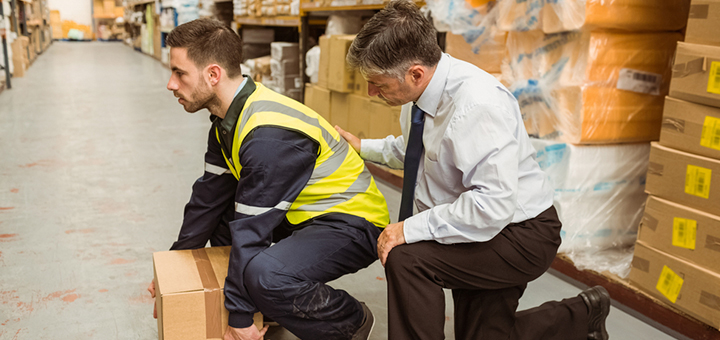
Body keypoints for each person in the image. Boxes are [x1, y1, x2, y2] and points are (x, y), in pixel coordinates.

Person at [334, 1, 612, 339]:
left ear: (416, 73)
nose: (371, 92)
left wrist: (409, 228)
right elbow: (414, 151)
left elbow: (492, 205)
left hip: (519, 233)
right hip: (478, 225)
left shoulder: (477, 106)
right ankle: (583, 313)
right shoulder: (420, 95)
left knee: (407, 256)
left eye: (377, 83)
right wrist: (362, 147)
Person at [146, 18, 389, 340]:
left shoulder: (268, 137)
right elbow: (207, 200)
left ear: (213, 74)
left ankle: (350, 320)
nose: (171, 84)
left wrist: (240, 317)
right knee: (221, 219)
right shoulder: (227, 120)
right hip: (302, 213)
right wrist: (173, 269)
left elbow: (251, 231)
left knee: (266, 275)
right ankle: (267, 305)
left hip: (351, 222)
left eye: (179, 73)